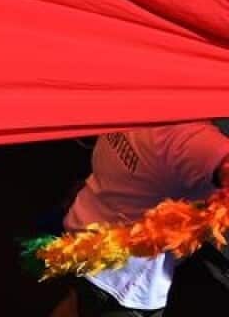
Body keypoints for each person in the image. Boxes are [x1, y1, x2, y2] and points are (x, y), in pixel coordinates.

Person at [50, 122, 229, 317]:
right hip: (121, 277)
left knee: (74, 304)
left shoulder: (139, 101)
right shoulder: (193, 139)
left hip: (82, 234)